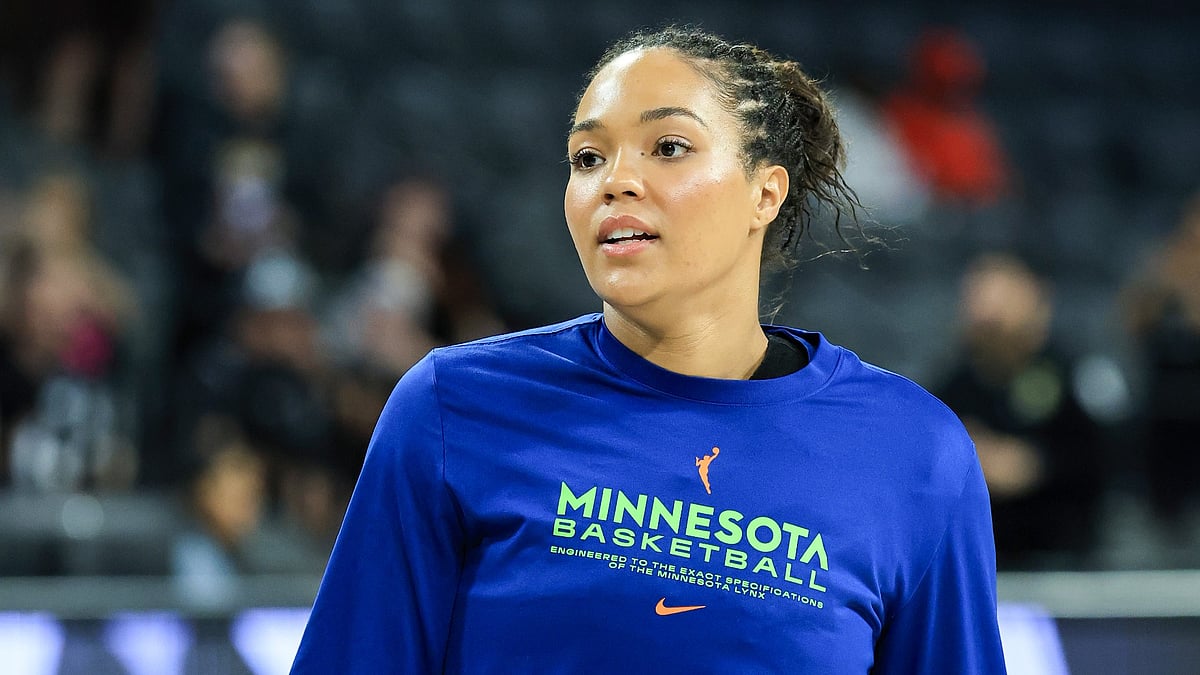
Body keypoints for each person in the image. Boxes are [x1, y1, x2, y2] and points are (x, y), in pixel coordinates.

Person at [291, 26, 1005, 673]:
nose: (615, 181)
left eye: (669, 147)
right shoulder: (451, 406)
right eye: (588, 156)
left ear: (766, 193)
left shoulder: (913, 452)